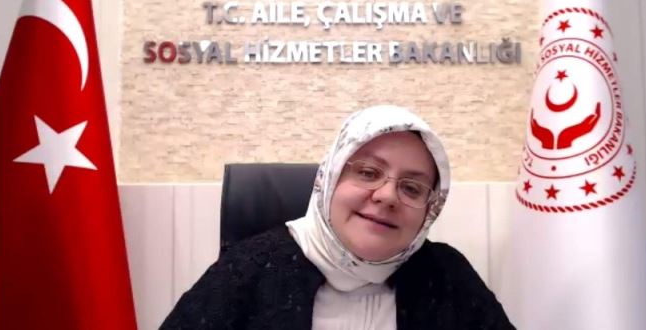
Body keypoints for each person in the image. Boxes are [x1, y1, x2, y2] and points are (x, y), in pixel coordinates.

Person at [161, 105, 514, 329]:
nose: (388, 196)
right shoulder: (247, 270)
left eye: (411, 188)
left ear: (430, 208)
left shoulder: (447, 276)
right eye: (368, 172)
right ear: (328, 179)